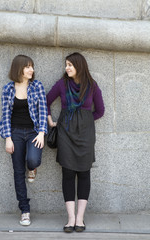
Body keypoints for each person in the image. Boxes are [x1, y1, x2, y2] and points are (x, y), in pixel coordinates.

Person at [46, 52, 104, 233]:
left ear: (79, 65)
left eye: (70, 64)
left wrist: (84, 120)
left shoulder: (92, 86)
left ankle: (80, 218)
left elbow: (100, 111)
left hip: (85, 135)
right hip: (65, 134)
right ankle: (70, 218)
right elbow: (45, 101)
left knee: (84, 173)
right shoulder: (61, 85)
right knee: (68, 173)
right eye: (66, 64)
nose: (67, 68)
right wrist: (51, 121)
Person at [0, 55, 48, 226]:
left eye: (32, 66)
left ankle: (32, 168)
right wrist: (8, 139)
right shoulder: (8, 89)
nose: (31, 70)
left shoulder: (37, 86)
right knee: (18, 172)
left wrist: (41, 133)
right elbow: (5, 115)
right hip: (15, 133)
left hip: (34, 131)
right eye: (27, 67)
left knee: (33, 159)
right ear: (18, 68)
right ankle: (25, 210)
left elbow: (42, 110)